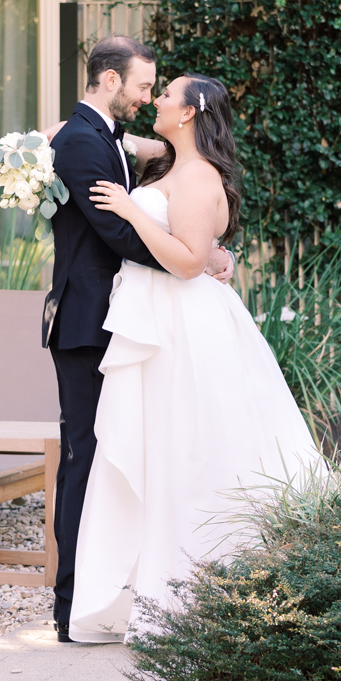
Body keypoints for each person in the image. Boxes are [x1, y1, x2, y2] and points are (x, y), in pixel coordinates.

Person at [68, 72, 319, 644]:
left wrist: (131, 214)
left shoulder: (199, 176)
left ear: (188, 113)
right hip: (156, 319)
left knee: (191, 449)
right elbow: (88, 134)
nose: (154, 100)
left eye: (164, 94)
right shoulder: (166, 160)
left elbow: (185, 262)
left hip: (184, 325)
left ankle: (198, 585)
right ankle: (136, 588)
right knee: (152, 447)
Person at [43, 36, 234, 644]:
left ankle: (130, 584)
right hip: (88, 321)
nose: (149, 95)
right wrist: (193, 259)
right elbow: (115, 235)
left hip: (126, 321)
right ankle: (71, 602)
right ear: (108, 80)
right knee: (87, 458)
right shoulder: (82, 139)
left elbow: (166, 186)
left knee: (132, 453)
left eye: (158, 91)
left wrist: (202, 251)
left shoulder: (105, 137)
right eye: (143, 86)